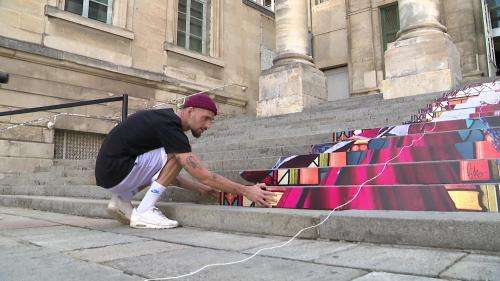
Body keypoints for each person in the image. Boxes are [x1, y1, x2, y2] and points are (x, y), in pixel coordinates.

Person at [95, 93, 274, 229]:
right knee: (176, 154)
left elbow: (163, 174)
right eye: (207, 118)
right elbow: (203, 175)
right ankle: (144, 211)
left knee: (173, 155)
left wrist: (199, 189)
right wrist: (247, 190)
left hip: (110, 174)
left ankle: (121, 199)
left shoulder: (162, 121)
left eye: (212, 120)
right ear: (190, 111)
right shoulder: (171, 127)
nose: (208, 125)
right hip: (117, 170)